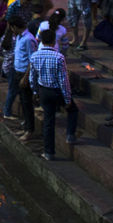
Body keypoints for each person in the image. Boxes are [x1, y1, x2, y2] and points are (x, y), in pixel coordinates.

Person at [30, 26, 78, 160]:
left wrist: (35, 92)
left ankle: (49, 152)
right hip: (57, 91)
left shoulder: (35, 56)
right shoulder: (59, 57)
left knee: (48, 121)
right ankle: (70, 135)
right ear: (53, 41)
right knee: (72, 110)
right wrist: (67, 99)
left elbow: (32, 77)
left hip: (43, 90)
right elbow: (64, 81)